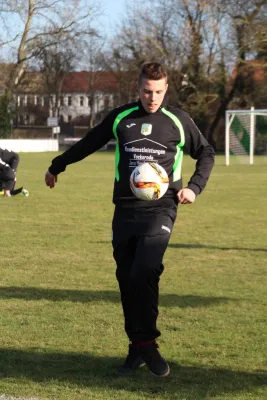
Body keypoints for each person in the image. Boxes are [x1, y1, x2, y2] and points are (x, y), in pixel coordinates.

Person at [45, 62, 215, 377]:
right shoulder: (122, 118)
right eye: (148, 91)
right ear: (137, 88)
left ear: (167, 89)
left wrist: (194, 187)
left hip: (161, 209)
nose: (153, 98)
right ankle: (136, 348)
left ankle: (148, 343)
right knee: (127, 278)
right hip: (124, 210)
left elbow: (206, 152)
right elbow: (89, 142)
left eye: (159, 92)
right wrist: (57, 165)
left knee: (145, 270)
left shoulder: (177, 121)